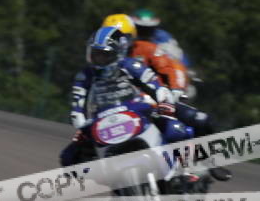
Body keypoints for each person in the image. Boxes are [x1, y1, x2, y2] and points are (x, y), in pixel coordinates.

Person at [101, 13, 229, 181]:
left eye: (119, 37)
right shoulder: (99, 61)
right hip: (120, 109)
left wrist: (174, 90)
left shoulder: (148, 48)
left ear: (130, 37)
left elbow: (169, 68)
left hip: (154, 102)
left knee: (200, 120)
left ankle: (210, 161)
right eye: (109, 36)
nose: (114, 41)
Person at [61, 25, 187, 168]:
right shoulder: (85, 75)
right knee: (68, 157)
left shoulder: (131, 65)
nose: (99, 58)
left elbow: (155, 85)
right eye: (96, 54)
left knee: (176, 129)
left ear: (118, 53)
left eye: (105, 54)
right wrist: (82, 125)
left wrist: (164, 102)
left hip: (138, 109)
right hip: (103, 119)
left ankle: (186, 168)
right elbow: (77, 104)